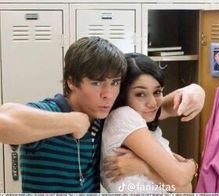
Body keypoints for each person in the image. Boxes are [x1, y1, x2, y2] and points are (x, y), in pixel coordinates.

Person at [0, 36, 205, 193]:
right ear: (71, 81)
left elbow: (160, 106)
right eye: (97, 83)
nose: (108, 94)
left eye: (115, 83)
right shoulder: (52, 111)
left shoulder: (102, 117)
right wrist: (71, 121)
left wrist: (197, 90)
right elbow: (4, 120)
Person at [101, 53, 198, 193]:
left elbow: (184, 189)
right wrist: (193, 166)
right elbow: (180, 178)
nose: (153, 103)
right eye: (140, 94)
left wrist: (145, 168)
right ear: (122, 95)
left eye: (157, 92)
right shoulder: (122, 116)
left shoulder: (146, 128)